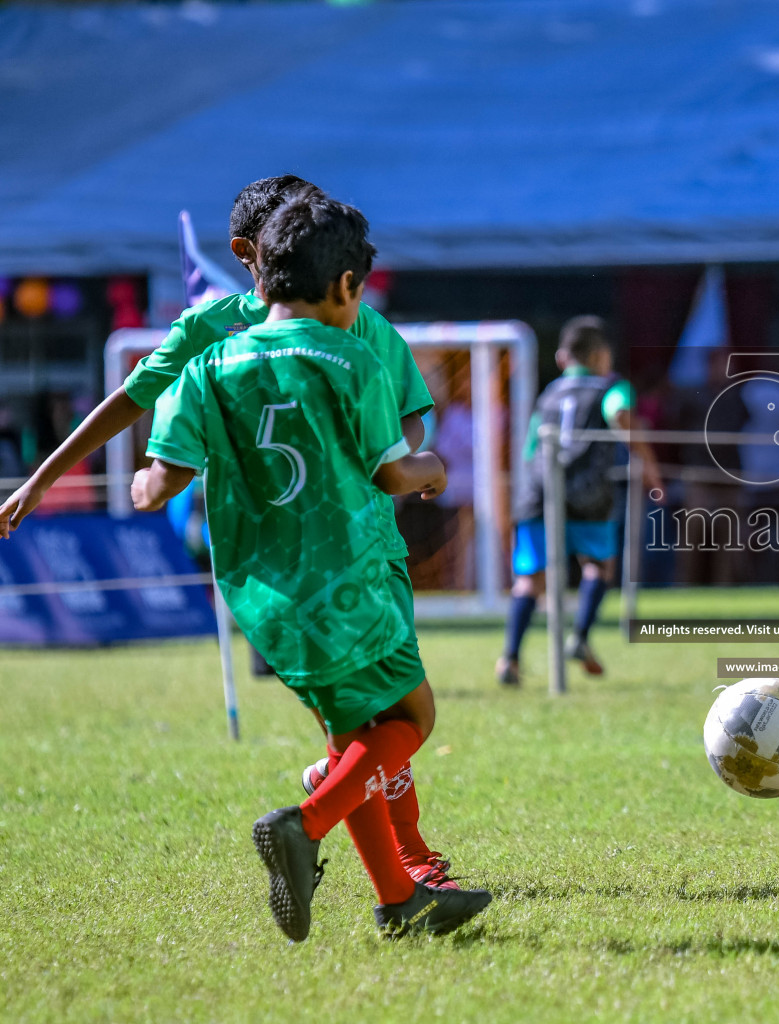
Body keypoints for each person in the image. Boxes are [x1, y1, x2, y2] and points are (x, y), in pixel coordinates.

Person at [0, 175, 457, 889]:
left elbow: (405, 414)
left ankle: (391, 867)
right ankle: (399, 861)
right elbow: (131, 400)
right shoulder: (216, 331)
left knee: (362, 726)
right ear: (254, 250)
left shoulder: (359, 324)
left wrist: (390, 454)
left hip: (351, 551)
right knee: (390, 720)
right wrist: (43, 477)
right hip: (318, 557)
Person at [130, 195, 491, 939]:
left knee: (351, 731)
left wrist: (145, 485)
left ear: (258, 280)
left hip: (264, 593)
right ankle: (309, 819)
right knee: (411, 717)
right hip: (349, 578)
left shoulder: (209, 365)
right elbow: (393, 473)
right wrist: (435, 471)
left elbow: (162, 473)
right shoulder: (352, 356)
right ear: (348, 288)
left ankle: (400, 898)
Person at [497, 316, 663, 687]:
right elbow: (619, 413)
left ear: (561, 358)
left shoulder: (549, 393)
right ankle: (581, 637)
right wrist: (649, 466)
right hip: (589, 493)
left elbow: (529, 448)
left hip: (539, 493)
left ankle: (509, 657)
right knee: (598, 566)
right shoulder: (611, 386)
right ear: (602, 355)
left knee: (529, 581)